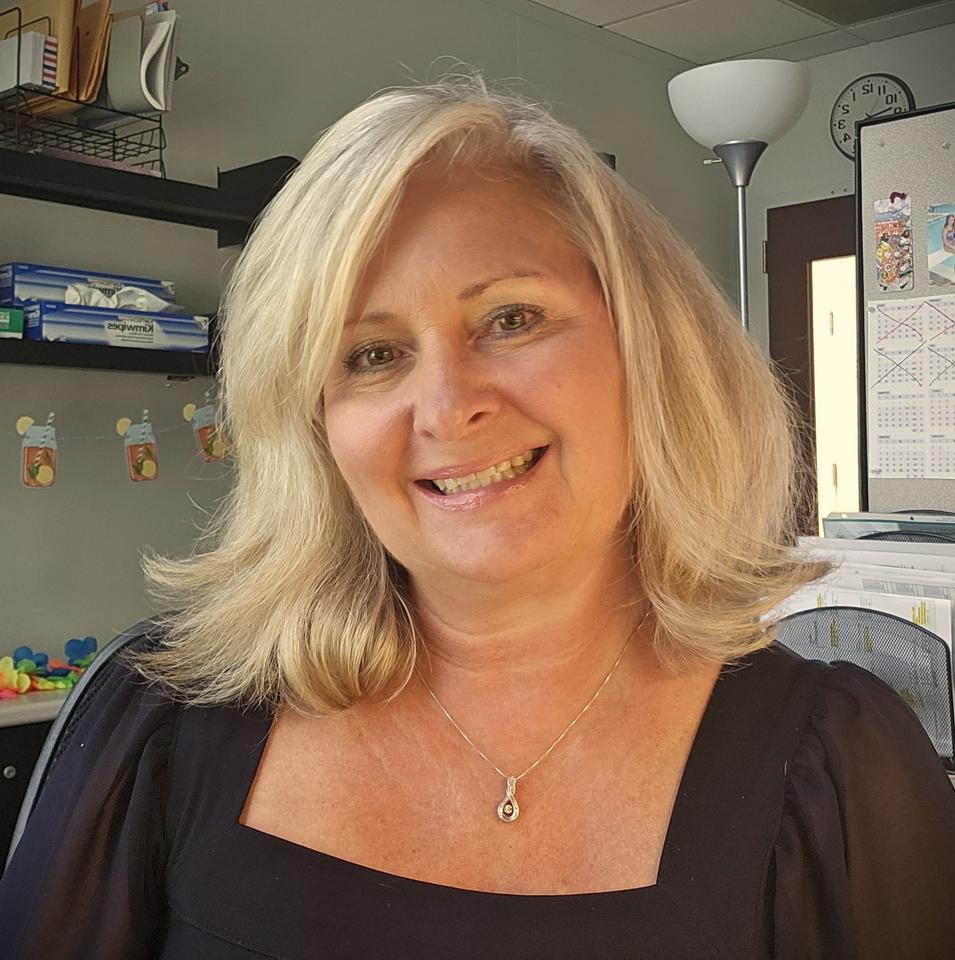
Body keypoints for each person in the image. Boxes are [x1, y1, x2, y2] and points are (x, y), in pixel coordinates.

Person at [2, 75, 954, 959]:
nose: (448, 406)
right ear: (315, 423)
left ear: (648, 350)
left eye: (510, 319)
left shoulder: (836, 769)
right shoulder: (156, 720)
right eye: (370, 355)